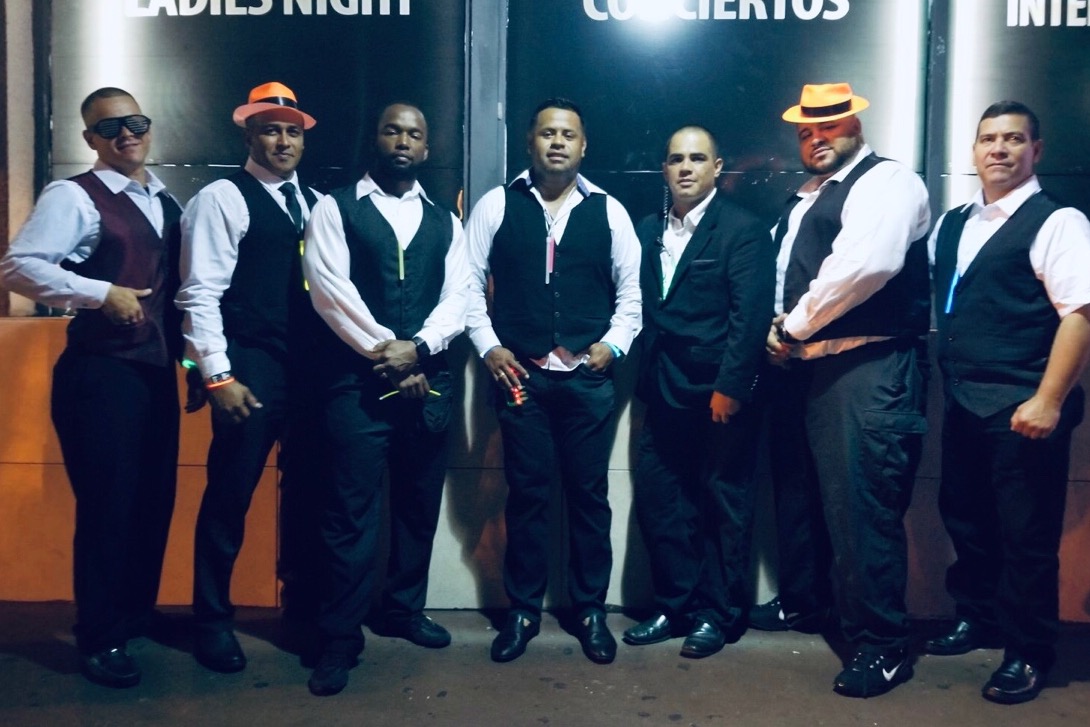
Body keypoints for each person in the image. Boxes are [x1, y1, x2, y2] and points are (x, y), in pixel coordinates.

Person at [0, 88, 183, 688]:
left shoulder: (164, 199)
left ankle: (133, 613)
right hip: (101, 374)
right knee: (110, 506)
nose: (125, 134)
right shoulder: (74, 195)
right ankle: (100, 636)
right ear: (90, 139)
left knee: (153, 500)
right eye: (109, 128)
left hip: (155, 370)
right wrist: (99, 293)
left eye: (135, 122)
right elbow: (18, 266)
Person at [464, 98, 642, 665]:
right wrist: (489, 347)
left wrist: (612, 346)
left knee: (589, 499)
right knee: (527, 497)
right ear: (530, 142)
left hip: (587, 381)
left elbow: (632, 295)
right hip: (522, 378)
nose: (557, 142)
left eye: (568, 134)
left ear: (583, 145)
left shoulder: (609, 211)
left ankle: (590, 610)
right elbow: (466, 286)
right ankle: (522, 611)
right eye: (547, 133)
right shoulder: (496, 205)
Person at [767, 83, 931, 698]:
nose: (816, 138)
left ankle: (883, 646)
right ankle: (809, 604)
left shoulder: (888, 181)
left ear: (856, 126)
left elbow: (866, 265)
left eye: (829, 126)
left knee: (864, 510)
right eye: (806, 131)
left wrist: (792, 326)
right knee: (814, 500)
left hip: (870, 367)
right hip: (812, 368)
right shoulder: (808, 195)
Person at [925, 101, 1090, 704]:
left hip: (1023, 407)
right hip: (963, 402)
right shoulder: (953, 223)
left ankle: (1028, 652)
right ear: (973, 151)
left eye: (1014, 139)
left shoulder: (1059, 221)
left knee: (1026, 536)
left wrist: (1049, 399)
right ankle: (979, 618)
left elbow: (1080, 315)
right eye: (988, 138)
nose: (999, 149)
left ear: (1035, 151)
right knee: (967, 520)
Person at [301, 103, 468, 696]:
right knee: (349, 515)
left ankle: (402, 610)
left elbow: (459, 298)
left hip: (428, 382)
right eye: (392, 130)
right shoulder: (335, 207)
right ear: (375, 138)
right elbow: (330, 293)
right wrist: (389, 353)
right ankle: (338, 637)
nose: (402, 140)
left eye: (414, 134)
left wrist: (417, 349)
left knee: (417, 506)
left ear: (426, 149)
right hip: (356, 386)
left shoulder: (446, 220)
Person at [176, 81, 325, 673]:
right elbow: (200, 292)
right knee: (229, 496)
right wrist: (217, 374)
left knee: (306, 497)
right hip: (251, 366)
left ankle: (300, 612)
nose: (283, 141)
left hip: (306, 371)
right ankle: (212, 622)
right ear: (249, 137)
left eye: (291, 131)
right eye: (270, 130)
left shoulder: (316, 203)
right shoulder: (222, 197)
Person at [623, 126, 773, 658]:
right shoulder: (647, 229)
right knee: (663, 501)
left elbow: (749, 317)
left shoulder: (744, 230)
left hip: (718, 393)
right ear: (664, 169)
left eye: (697, 158)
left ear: (716, 167)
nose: (685, 168)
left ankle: (718, 614)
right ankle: (675, 605)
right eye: (675, 159)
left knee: (723, 504)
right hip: (661, 387)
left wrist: (731, 387)